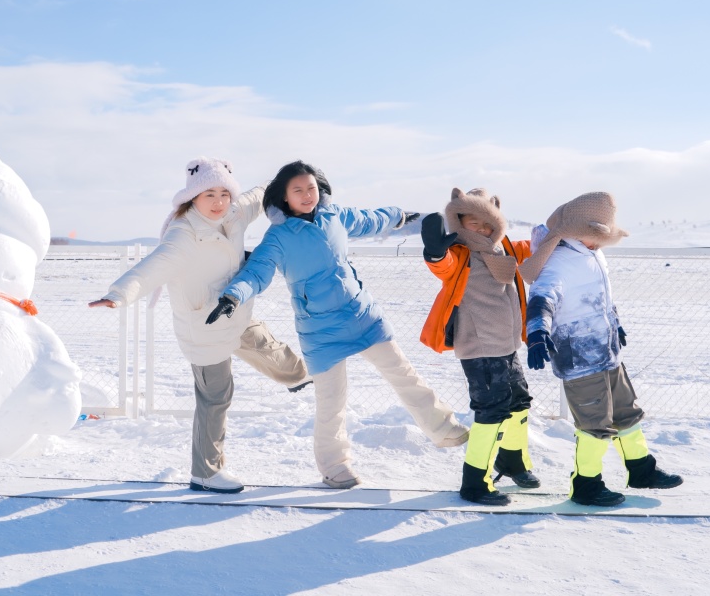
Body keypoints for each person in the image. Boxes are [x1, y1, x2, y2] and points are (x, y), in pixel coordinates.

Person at [205, 160, 469, 489]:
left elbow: (370, 219)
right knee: (332, 402)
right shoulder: (278, 238)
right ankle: (334, 466)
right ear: (285, 196)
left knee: (403, 374)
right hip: (320, 331)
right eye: (298, 190)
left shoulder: (335, 216)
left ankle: (445, 430)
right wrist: (233, 297)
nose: (307, 195)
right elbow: (256, 272)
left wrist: (400, 217)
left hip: (362, 315)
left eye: (311, 188)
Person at [90, 157, 309, 494]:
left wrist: (288, 181)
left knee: (267, 345)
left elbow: (258, 195)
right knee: (216, 398)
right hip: (204, 326)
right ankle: (206, 473)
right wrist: (118, 294)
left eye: (224, 193)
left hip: (234, 310)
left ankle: (300, 377)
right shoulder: (184, 234)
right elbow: (152, 268)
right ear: (193, 196)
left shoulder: (235, 212)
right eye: (210, 194)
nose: (219, 202)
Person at [519, 191, 683, 506]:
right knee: (594, 423)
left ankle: (641, 469)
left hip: (607, 352)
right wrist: (537, 332)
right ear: (578, 232)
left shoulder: (592, 255)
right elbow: (541, 299)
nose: (599, 243)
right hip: (580, 358)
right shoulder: (559, 262)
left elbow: (602, 298)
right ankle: (586, 484)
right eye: (596, 237)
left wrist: (615, 323)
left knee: (626, 412)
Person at [419, 187, 540, 506]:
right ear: (459, 221)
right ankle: (475, 483)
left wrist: (559, 236)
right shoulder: (460, 252)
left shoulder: (502, 247)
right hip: (480, 348)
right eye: (475, 222)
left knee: (518, 402)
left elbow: (530, 248)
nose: (483, 229)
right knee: (492, 410)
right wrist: (434, 252)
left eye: (489, 223)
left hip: (506, 344)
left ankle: (512, 461)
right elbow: (443, 266)